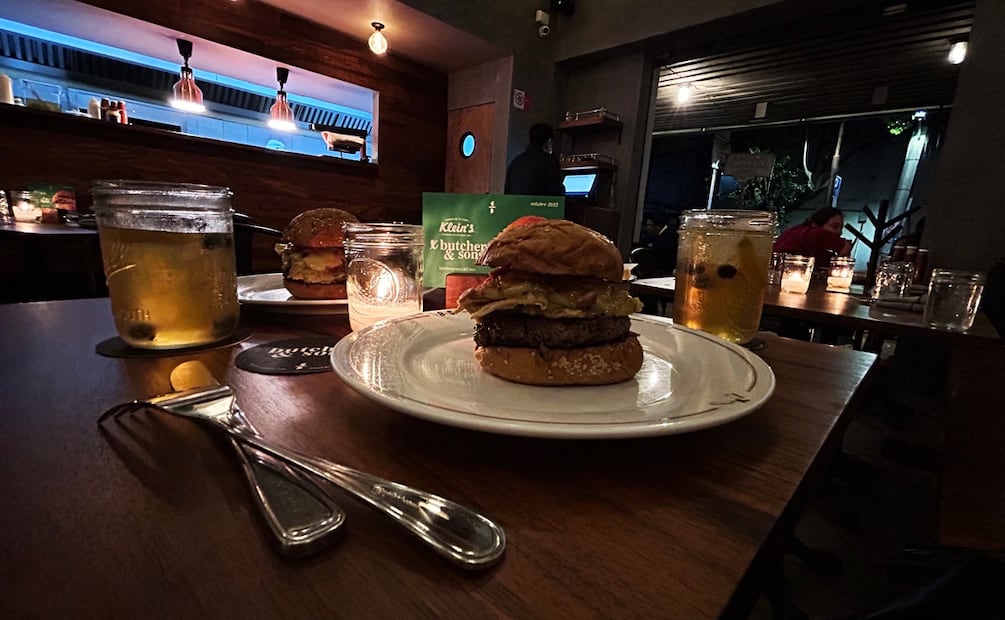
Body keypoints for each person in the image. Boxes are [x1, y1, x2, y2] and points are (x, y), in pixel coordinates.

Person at [773, 206, 852, 268]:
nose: (840, 232)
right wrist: (842, 246)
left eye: (841, 228)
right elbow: (819, 235)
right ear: (816, 224)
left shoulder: (811, 245)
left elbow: (823, 260)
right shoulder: (807, 233)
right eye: (834, 226)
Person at [504, 122, 565, 196]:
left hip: (515, 203)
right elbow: (555, 193)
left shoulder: (515, 162)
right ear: (549, 142)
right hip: (539, 203)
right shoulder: (550, 161)